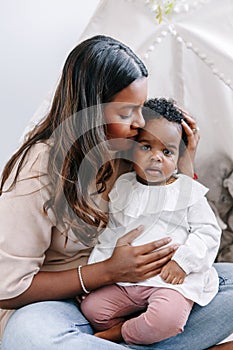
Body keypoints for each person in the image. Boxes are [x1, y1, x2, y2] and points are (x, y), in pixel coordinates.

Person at [0, 35, 232, 350]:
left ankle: (128, 338)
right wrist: (108, 271)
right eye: (125, 114)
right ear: (90, 113)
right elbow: (7, 289)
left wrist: (182, 162)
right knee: (29, 338)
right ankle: (142, 338)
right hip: (63, 304)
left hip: (143, 288)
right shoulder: (38, 170)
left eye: (140, 109)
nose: (139, 124)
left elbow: (173, 211)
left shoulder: (127, 151)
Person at [80, 98, 222, 345]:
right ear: (132, 149)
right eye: (146, 147)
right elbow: (112, 233)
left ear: (179, 158)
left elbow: (208, 232)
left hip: (170, 282)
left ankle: (123, 333)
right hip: (128, 281)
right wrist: (101, 272)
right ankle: (138, 327)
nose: (156, 157)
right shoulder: (123, 187)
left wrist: (182, 262)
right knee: (93, 310)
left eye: (167, 151)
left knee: (167, 319)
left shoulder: (188, 190)